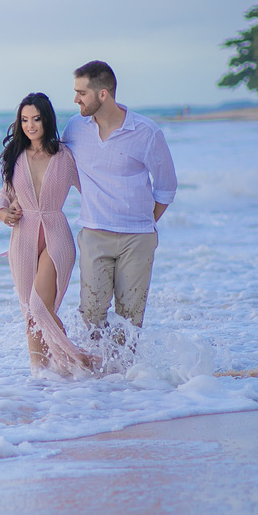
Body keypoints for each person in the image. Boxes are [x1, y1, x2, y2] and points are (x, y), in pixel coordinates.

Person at [0, 92, 93, 374]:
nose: (30, 126)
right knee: (30, 314)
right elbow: (6, 193)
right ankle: (41, 379)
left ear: (47, 120)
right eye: (25, 120)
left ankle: (82, 362)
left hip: (56, 233)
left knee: (40, 308)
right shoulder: (14, 155)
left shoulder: (65, 157)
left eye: (36, 119)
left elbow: (93, 189)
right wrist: (3, 212)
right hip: (23, 236)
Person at [62, 61, 176, 335]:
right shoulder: (75, 128)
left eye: (82, 92)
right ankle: (98, 376)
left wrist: (143, 222)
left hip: (137, 238)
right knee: (90, 313)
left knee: (130, 319)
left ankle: (127, 377)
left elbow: (166, 186)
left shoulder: (146, 132)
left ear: (103, 94)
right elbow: (58, 167)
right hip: (94, 233)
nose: (75, 98)